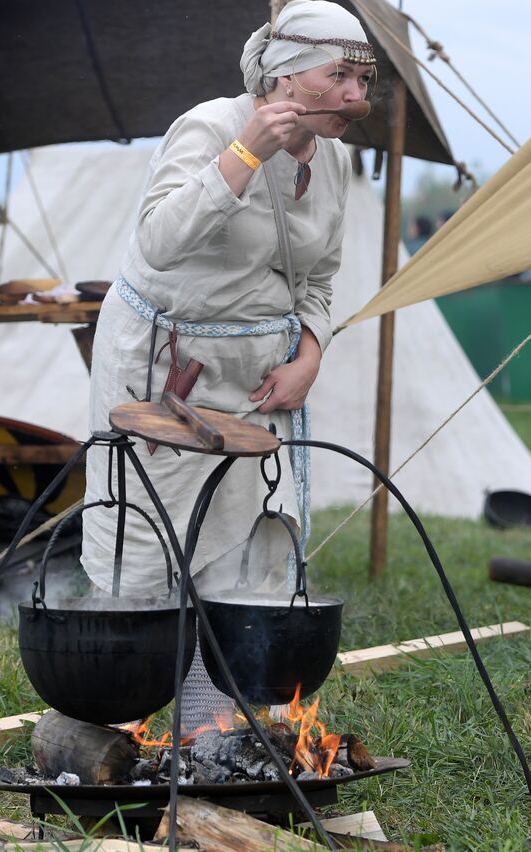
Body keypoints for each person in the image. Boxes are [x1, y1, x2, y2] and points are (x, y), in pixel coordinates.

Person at [80, 1, 374, 728]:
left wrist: (310, 351)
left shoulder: (332, 160)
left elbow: (319, 277)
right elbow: (156, 242)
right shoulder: (211, 127)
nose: (356, 97)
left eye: (362, 80)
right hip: (163, 374)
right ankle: (118, 727)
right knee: (150, 541)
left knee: (245, 549)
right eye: (338, 75)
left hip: (256, 381)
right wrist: (244, 153)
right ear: (282, 75)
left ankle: (210, 732)